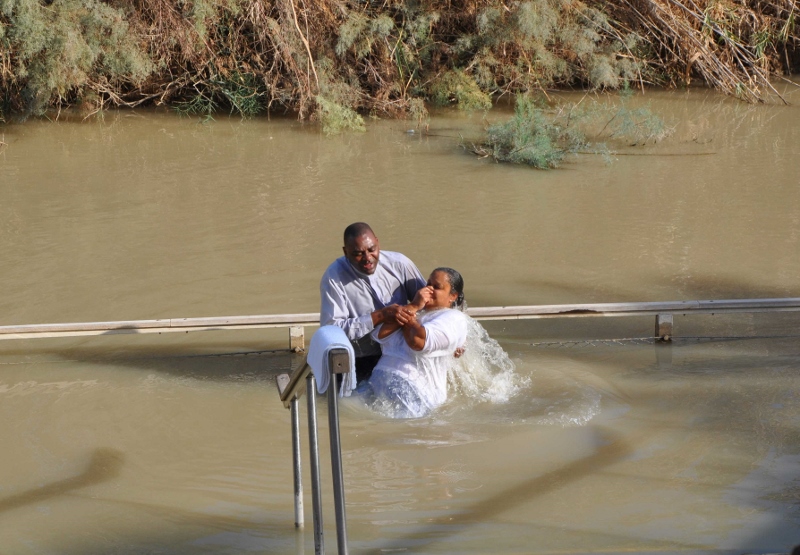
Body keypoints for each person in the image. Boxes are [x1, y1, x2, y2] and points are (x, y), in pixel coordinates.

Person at [320, 222, 426, 383]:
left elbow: (432, 301)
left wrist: (456, 338)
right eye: (358, 254)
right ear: (345, 252)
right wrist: (380, 316)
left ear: (377, 242)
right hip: (360, 357)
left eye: (371, 250)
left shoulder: (400, 263)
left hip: (400, 353)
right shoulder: (333, 277)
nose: (368, 258)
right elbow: (331, 332)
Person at [366, 267, 469, 418]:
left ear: (453, 296)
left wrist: (411, 311)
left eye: (436, 287)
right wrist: (413, 307)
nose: (428, 289)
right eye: (428, 284)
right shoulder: (417, 311)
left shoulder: (454, 318)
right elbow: (380, 335)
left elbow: (418, 342)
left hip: (414, 390)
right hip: (377, 385)